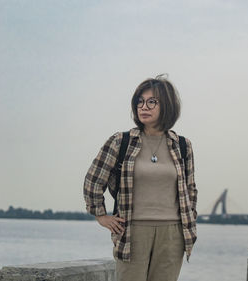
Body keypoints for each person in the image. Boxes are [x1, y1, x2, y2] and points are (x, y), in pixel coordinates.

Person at [83, 74, 197, 281]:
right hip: (132, 232)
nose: (144, 107)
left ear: (168, 105)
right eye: (140, 102)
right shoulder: (121, 141)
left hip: (172, 234)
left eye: (152, 102)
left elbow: (190, 189)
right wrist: (101, 215)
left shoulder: (182, 145)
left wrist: (189, 221)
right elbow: (93, 180)